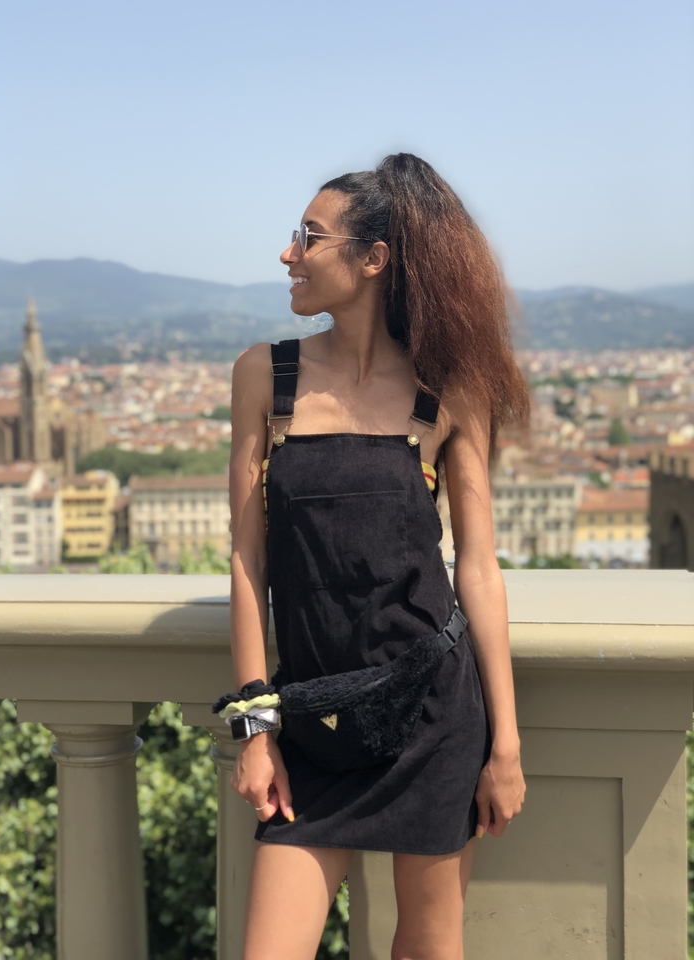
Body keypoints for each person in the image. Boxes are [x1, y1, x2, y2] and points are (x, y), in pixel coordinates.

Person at [226, 153, 528, 960]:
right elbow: (248, 562)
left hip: (433, 716)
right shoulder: (266, 377)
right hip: (312, 722)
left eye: (308, 236)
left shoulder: (449, 391)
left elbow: (478, 569)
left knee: (428, 950)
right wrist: (256, 728)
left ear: (373, 259)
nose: (288, 253)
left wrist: (505, 745)